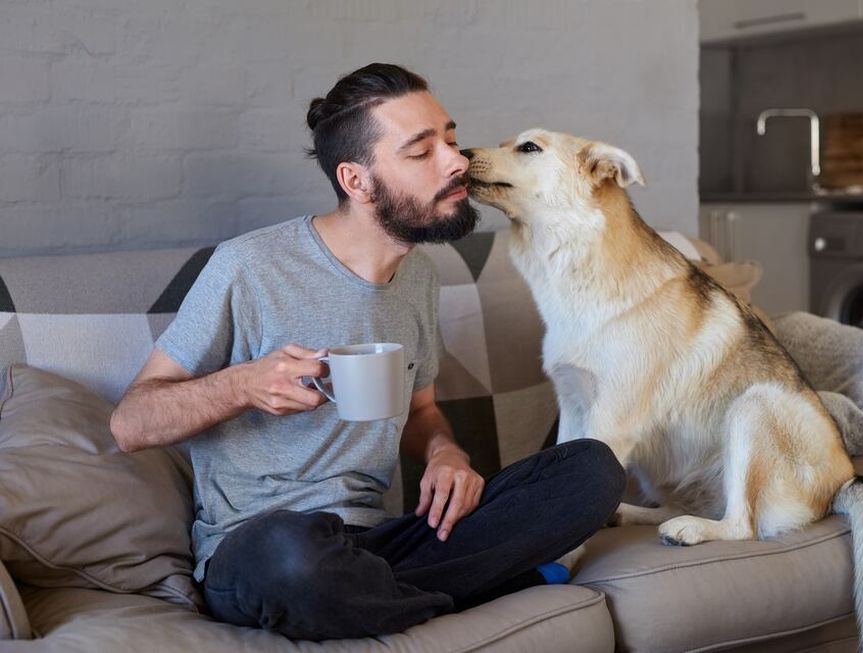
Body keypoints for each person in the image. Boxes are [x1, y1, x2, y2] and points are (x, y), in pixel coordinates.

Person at [109, 63, 625, 641]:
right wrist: (241, 385)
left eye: (450, 139)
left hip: (380, 539)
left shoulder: (419, 278)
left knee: (591, 470)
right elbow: (131, 423)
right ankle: (480, 586)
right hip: (259, 545)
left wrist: (445, 455)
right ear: (357, 181)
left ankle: (390, 596)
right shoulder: (248, 266)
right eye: (421, 152)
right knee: (292, 555)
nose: (456, 161)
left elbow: (422, 411)